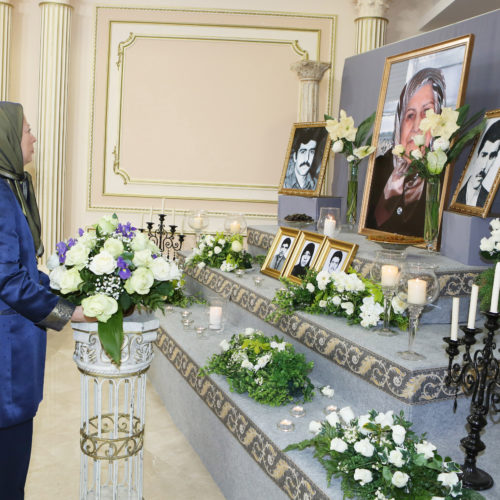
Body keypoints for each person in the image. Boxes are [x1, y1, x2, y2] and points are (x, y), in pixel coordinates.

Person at [0, 102, 89, 499]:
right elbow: (8, 279)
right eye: (27, 130)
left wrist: (68, 292)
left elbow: (24, 270)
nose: (33, 137)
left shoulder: (9, 188)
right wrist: (69, 314)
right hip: (6, 356)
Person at [367, 68, 446, 236]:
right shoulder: (380, 167)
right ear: (399, 122)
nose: (417, 126)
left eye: (428, 113)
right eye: (410, 115)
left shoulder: (444, 176)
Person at [456, 120, 500, 207]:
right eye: (483, 155)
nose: (484, 166)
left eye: (492, 157)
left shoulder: (486, 199)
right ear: (477, 154)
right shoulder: (457, 197)